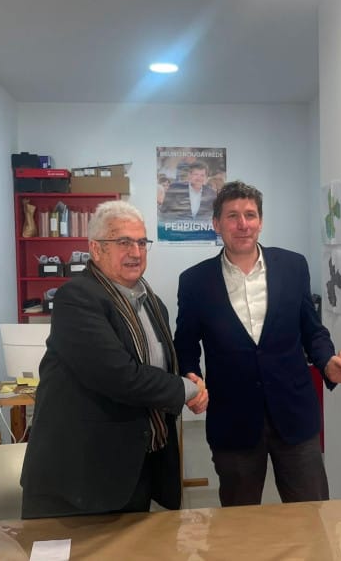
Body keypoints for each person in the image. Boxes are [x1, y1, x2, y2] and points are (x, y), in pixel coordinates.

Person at [174, 181, 341, 507]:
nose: (242, 224)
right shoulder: (195, 282)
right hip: (233, 422)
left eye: (250, 215)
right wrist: (192, 381)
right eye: (232, 216)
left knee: (310, 515)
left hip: (294, 415)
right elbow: (186, 345)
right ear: (216, 224)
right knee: (241, 522)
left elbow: (312, 331)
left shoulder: (293, 267)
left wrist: (328, 362)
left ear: (260, 221)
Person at [21, 201, 208, 518]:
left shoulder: (153, 304)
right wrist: (187, 390)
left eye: (142, 242)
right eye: (123, 242)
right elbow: (120, 376)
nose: (136, 252)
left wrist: (184, 380)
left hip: (135, 468)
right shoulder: (76, 299)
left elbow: (160, 368)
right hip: (80, 478)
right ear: (96, 249)